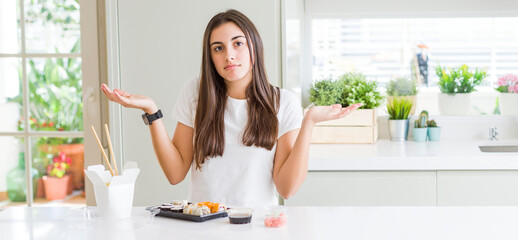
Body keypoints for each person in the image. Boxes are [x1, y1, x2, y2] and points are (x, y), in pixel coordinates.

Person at [100, 9, 360, 207]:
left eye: (238, 43)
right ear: (210, 57)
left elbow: (287, 189)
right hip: (203, 226)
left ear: (254, 48)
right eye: (218, 48)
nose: (229, 56)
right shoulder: (195, 93)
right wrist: (151, 111)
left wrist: (309, 122)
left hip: (257, 228)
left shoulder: (283, 103)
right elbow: (175, 173)